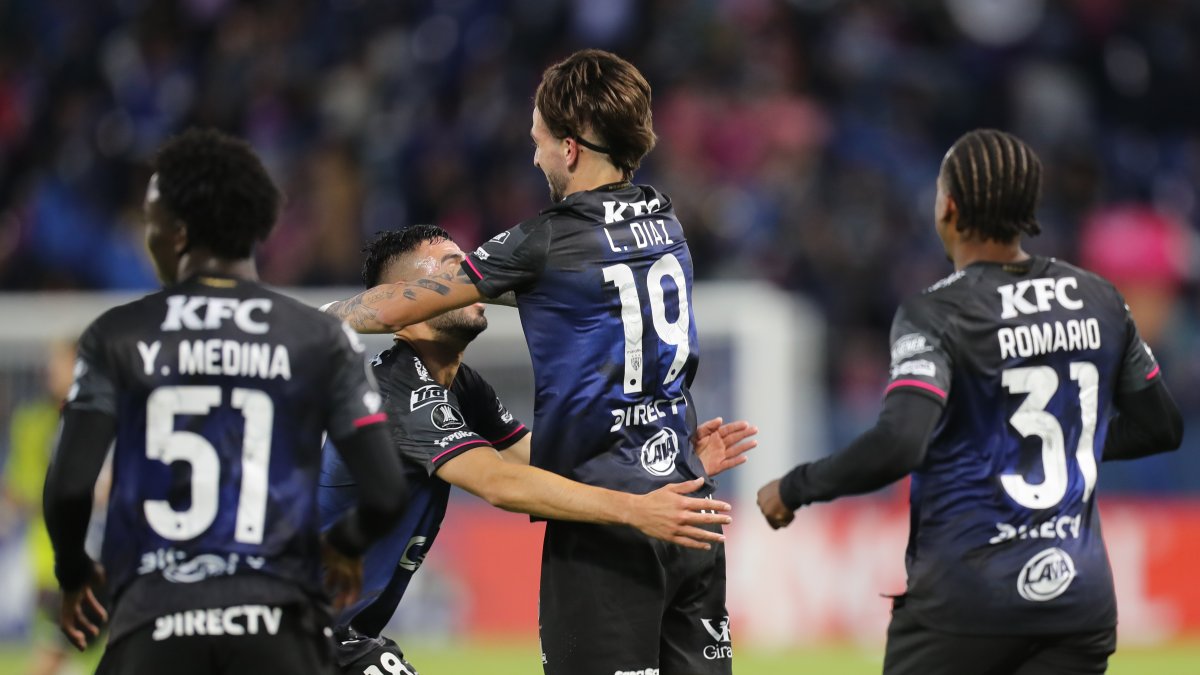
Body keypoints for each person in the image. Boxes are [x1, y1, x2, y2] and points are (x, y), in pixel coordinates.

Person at [322, 49, 733, 674]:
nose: (535, 157)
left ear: (569, 148)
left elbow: (507, 475)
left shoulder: (546, 242)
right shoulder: (665, 218)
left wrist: (318, 318)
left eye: (539, 141)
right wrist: (669, 461)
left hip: (616, 537)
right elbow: (508, 473)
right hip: (679, 514)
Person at [756, 129, 1184, 675]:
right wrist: (1054, 445)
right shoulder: (1099, 298)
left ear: (949, 207)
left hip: (966, 604)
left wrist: (795, 487)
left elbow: (900, 443)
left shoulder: (937, 313)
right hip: (1078, 603)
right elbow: (1161, 426)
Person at [42, 128, 410, 675]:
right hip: (277, 625)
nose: (147, 234)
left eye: (152, 219)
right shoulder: (320, 338)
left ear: (177, 231)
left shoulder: (117, 335)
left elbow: (69, 487)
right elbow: (385, 490)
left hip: (154, 621)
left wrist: (74, 572)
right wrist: (346, 545)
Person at [319, 225, 757, 674]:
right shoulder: (396, 389)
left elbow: (549, 468)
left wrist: (668, 469)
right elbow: (499, 483)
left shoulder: (461, 387)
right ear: (404, 302)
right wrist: (634, 510)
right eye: (453, 271)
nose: (474, 278)